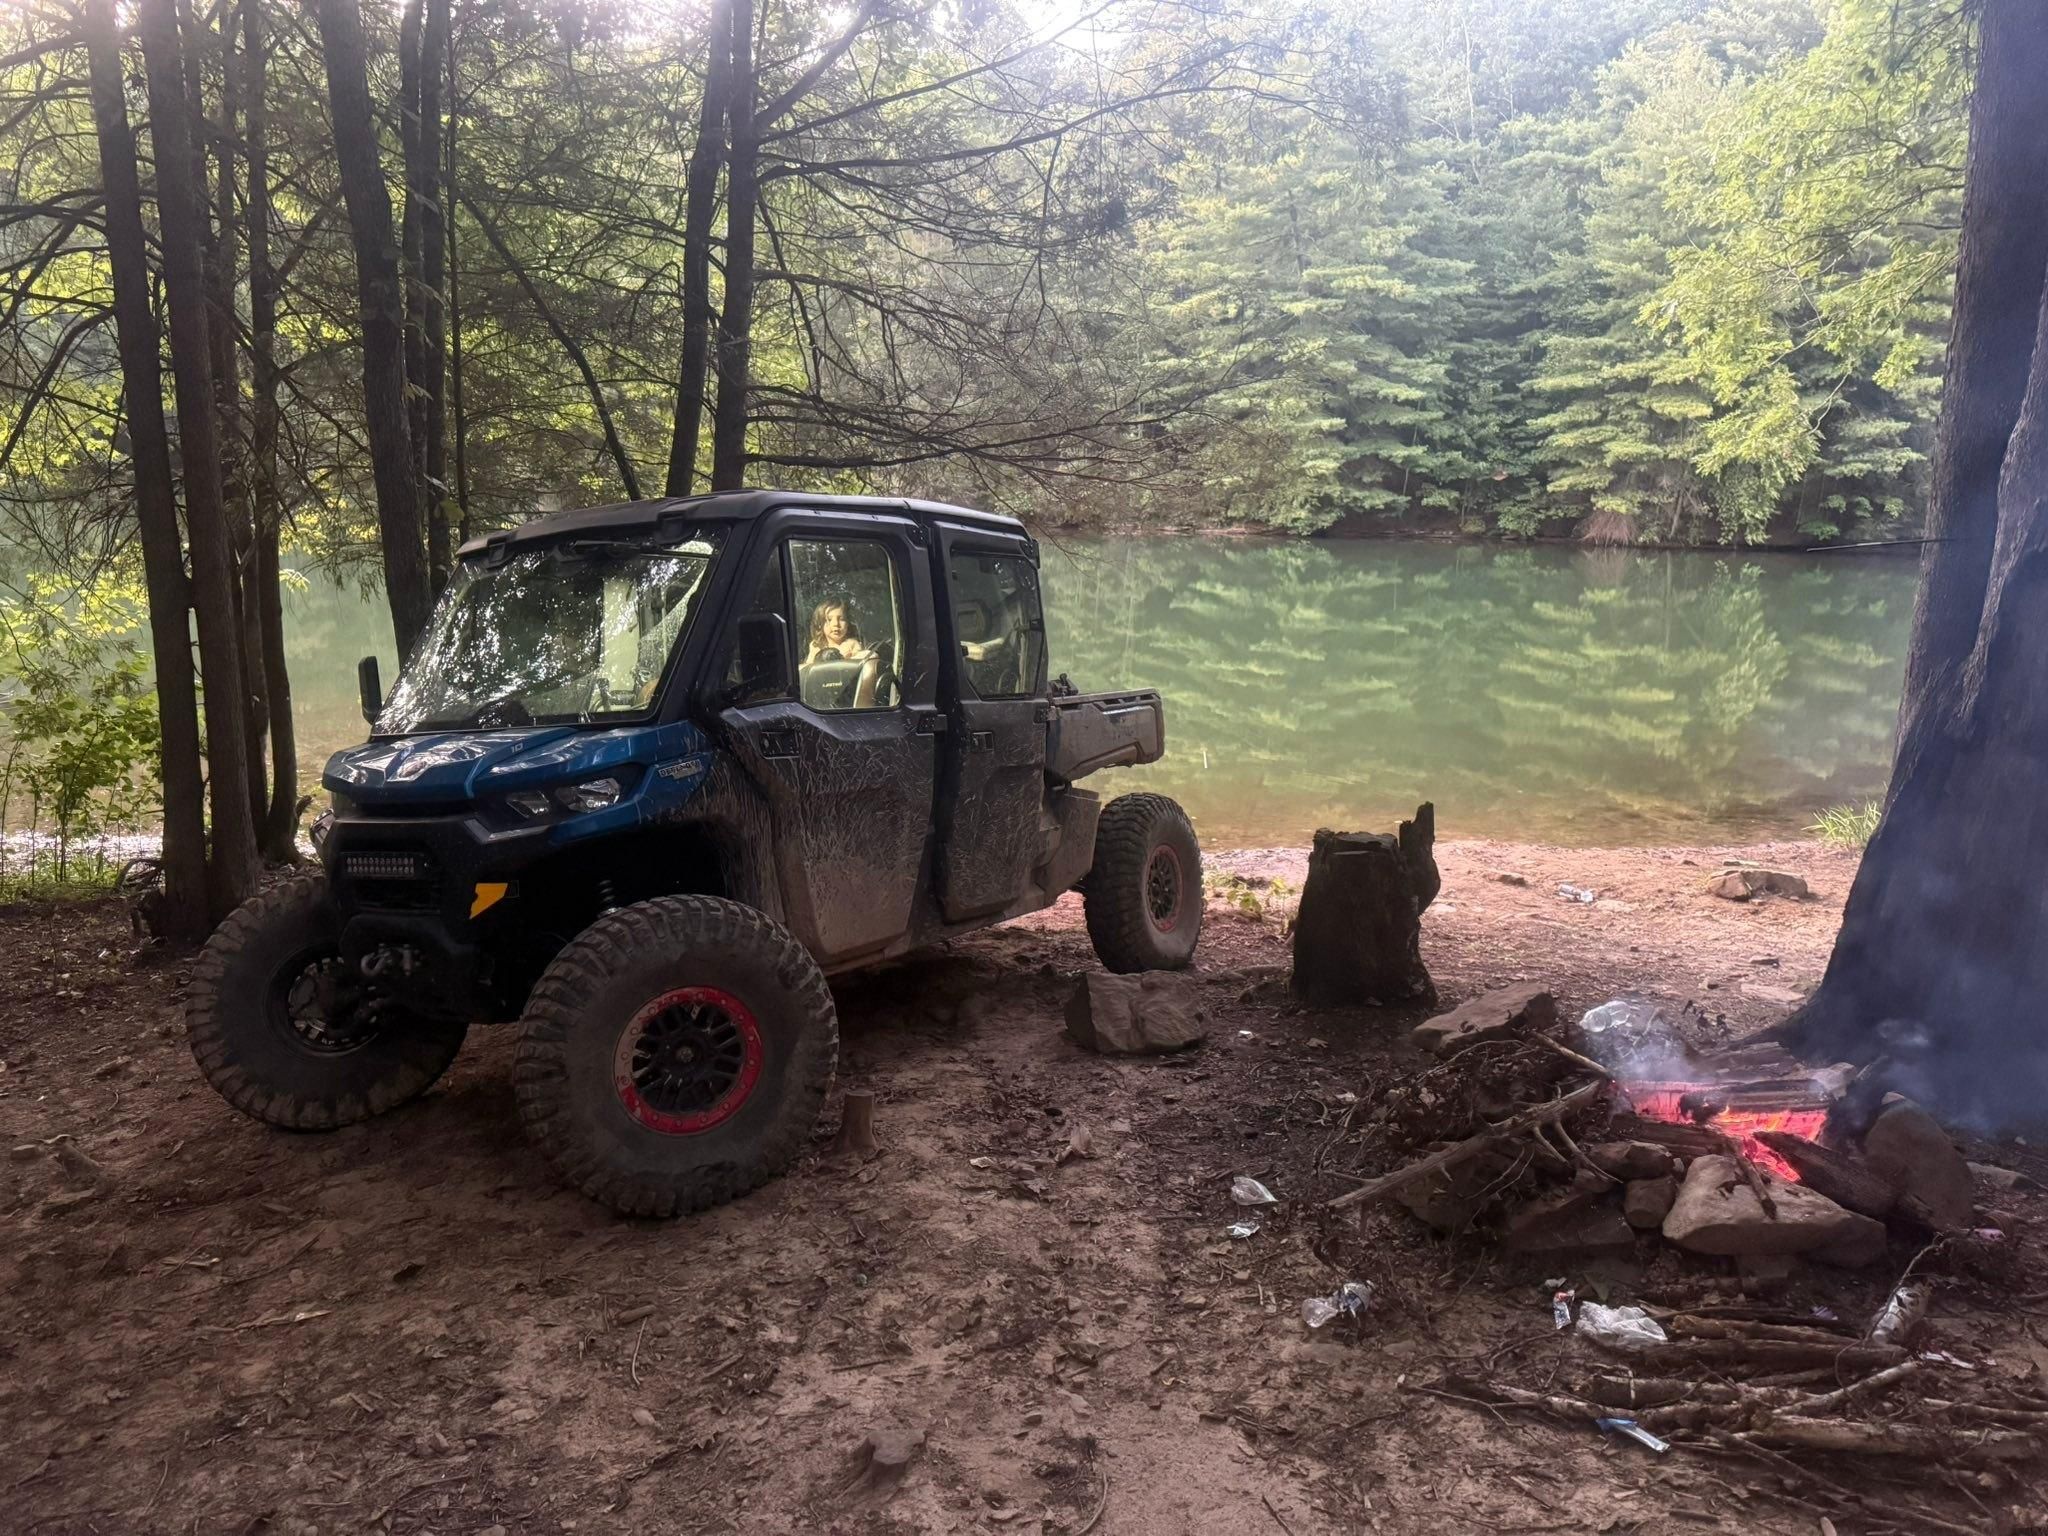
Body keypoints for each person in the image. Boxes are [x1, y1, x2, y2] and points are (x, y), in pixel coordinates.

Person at [802, 598, 883, 707]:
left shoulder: (852, 644)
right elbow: (808, 670)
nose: (836, 624)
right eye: (828, 620)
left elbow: (870, 657)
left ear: (849, 623)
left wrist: (847, 658)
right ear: (820, 625)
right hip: (822, 697)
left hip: (846, 692)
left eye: (842, 619)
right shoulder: (816, 646)